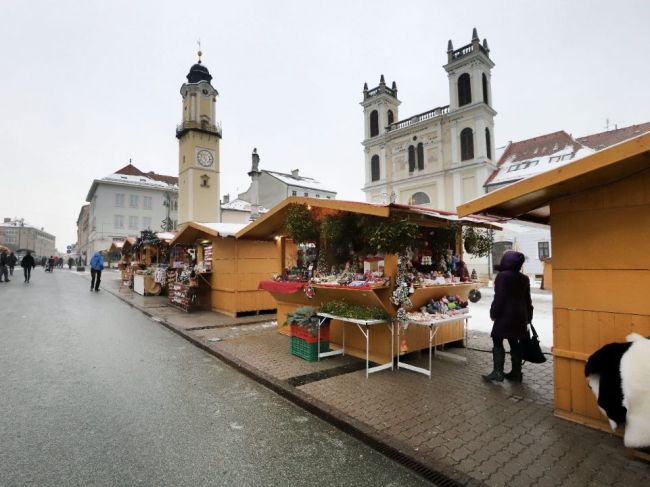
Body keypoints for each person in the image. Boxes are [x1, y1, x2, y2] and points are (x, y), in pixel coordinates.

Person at [483, 251, 533, 383]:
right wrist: (529, 317)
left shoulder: (502, 276)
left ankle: (498, 372)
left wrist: (493, 313)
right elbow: (528, 300)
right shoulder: (524, 278)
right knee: (514, 342)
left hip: (505, 314)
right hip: (520, 315)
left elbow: (499, 297)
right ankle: (516, 373)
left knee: (497, 339)